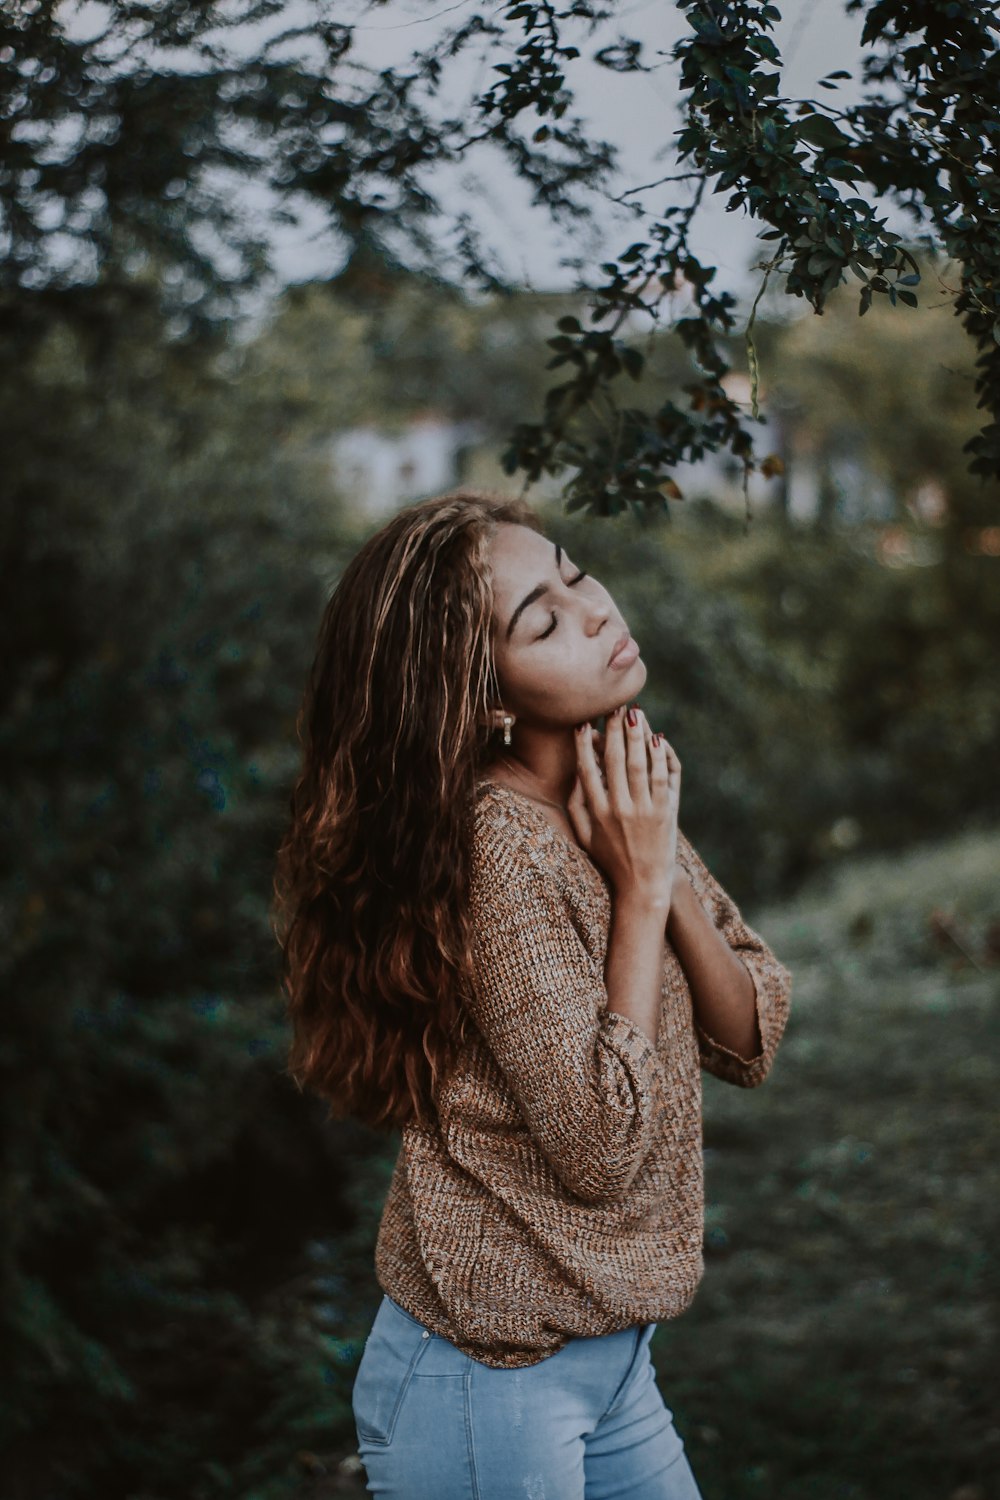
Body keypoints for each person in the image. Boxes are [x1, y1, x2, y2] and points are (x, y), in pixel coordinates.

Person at [273, 488, 793, 1499]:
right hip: (486, 1377)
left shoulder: (618, 788)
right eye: (542, 620)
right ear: (488, 695)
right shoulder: (496, 853)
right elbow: (598, 1150)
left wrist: (658, 868)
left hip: (609, 1361)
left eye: (574, 571)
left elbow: (750, 1033)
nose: (594, 608)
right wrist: (642, 892)